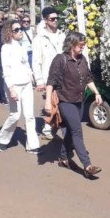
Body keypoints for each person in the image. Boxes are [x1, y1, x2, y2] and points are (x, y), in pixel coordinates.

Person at [45, 32, 102, 178]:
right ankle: (87, 165)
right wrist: (47, 103)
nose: (83, 46)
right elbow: (51, 81)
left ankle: (63, 158)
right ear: (71, 44)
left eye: (84, 44)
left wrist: (96, 93)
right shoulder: (60, 59)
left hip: (79, 100)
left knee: (71, 131)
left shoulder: (82, 59)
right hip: (65, 101)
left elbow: (88, 78)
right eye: (80, 44)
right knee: (77, 131)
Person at [0, 20, 42, 154]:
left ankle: (32, 145)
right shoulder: (6, 48)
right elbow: (6, 70)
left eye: (20, 29)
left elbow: (26, 64)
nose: (20, 31)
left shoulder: (21, 46)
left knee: (29, 115)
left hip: (26, 84)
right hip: (14, 86)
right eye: (16, 30)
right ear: (9, 32)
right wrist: (11, 88)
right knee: (15, 115)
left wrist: (33, 78)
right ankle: (2, 139)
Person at [33, 7, 65, 139]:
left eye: (57, 18)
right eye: (52, 19)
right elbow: (36, 61)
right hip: (49, 77)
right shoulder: (39, 39)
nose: (55, 21)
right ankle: (48, 127)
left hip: (64, 76)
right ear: (45, 20)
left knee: (61, 102)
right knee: (52, 102)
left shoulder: (62, 35)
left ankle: (53, 125)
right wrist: (39, 80)